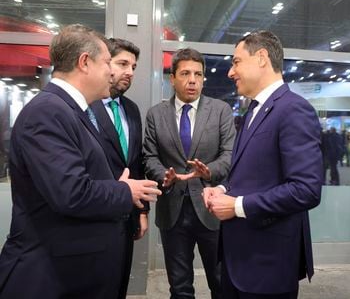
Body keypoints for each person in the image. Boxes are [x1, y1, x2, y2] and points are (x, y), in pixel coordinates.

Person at [0, 24, 161, 299]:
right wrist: (125, 190)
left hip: (74, 268)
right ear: (84, 63)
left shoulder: (71, 111)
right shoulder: (49, 112)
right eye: (109, 62)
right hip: (51, 275)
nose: (113, 72)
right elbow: (71, 193)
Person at [203, 31, 323, 299]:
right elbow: (253, 173)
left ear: (261, 58)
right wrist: (222, 189)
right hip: (238, 260)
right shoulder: (253, 112)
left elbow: (306, 189)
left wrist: (237, 206)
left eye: (236, 62)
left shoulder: (293, 109)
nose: (230, 72)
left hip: (267, 265)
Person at [143, 48, 236, 299]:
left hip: (212, 207)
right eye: (185, 73)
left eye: (198, 74)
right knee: (180, 287)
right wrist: (165, 176)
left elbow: (229, 155)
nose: (192, 79)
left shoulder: (221, 111)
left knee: (221, 283)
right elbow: (149, 156)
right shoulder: (156, 114)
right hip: (172, 210)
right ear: (172, 78)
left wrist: (208, 172)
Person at [89, 38, 147, 299]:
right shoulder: (83, 109)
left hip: (126, 217)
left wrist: (142, 211)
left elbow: (135, 165)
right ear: (104, 63)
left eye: (133, 66)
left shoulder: (132, 110)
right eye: (122, 63)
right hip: (94, 217)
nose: (130, 72)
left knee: (118, 285)